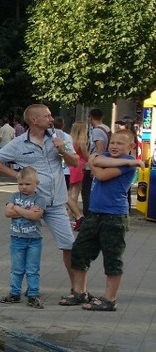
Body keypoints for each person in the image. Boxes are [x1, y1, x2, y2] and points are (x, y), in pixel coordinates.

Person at [0, 103, 81, 304]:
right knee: (24, 246)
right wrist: (19, 177)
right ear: (34, 120)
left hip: (56, 203)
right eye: (47, 116)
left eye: (51, 115)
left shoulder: (62, 137)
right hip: (30, 204)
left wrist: (62, 150)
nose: (51, 119)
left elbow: (75, 163)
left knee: (69, 245)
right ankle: (18, 290)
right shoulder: (19, 143)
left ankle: (78, 290)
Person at [67, 129, 143, 312]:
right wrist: (128, 159)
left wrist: (94, 162)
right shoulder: (127, 161)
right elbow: (96, 159)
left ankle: (109, 299)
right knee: (79, 251)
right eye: (113, 142)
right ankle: (79, 292)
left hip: (114, 217)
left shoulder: (128, 167)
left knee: (112, 259)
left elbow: (100, 174)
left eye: (121, 143)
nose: (115, 146)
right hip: (94, 214)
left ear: (132, 146)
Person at [2, 167, 48, 308]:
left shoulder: (40, 199)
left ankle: (33, 294)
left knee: (32, 269)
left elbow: (35, 216)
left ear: (36, 184)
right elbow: (8, 213)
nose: (23, 187)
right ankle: (15, 292)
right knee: (17, 268)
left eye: (27, 184)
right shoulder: (14, 196)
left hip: (34, 240)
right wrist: (26, 211)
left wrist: (17, 208)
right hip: (17, 238)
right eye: (21, 184)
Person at [82, 108, 110, 215]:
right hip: (103, 164)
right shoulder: (106, 128)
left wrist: (93, 165)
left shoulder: (97, 130)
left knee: (87, 192)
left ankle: (88, 217)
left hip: (95, 166)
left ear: (90, 117)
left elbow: (100, 149)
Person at [67, 121, 89, 228]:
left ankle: (69, 215)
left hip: (71, 166)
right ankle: (71, 216)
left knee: (71, 191)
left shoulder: (70, 140)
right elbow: (86, 155)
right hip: (80, 166)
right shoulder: (82, 141)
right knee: (75, 192)